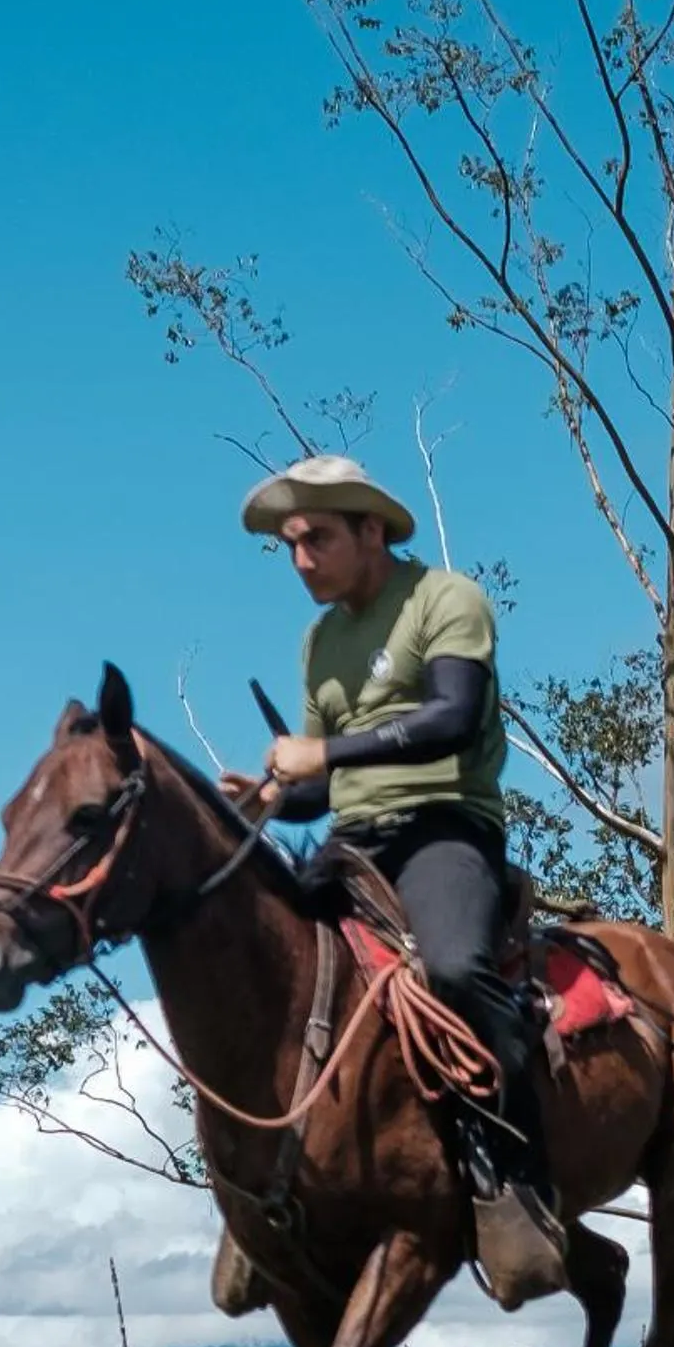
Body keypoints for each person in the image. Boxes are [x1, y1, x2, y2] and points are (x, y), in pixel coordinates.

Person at [234, 454, 565, 1304]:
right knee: (249, 964)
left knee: (454, 968)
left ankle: (513, 1173)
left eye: (315, 540)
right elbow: (318, 789)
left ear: (371, 530)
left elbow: (453, 719)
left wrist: (324, 755)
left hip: (445, 830)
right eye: (289, 547)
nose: (301, 559)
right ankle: (251, 1190)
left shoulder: (445, 600)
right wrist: (273, 794)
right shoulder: (320, 641)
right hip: (354, 842)